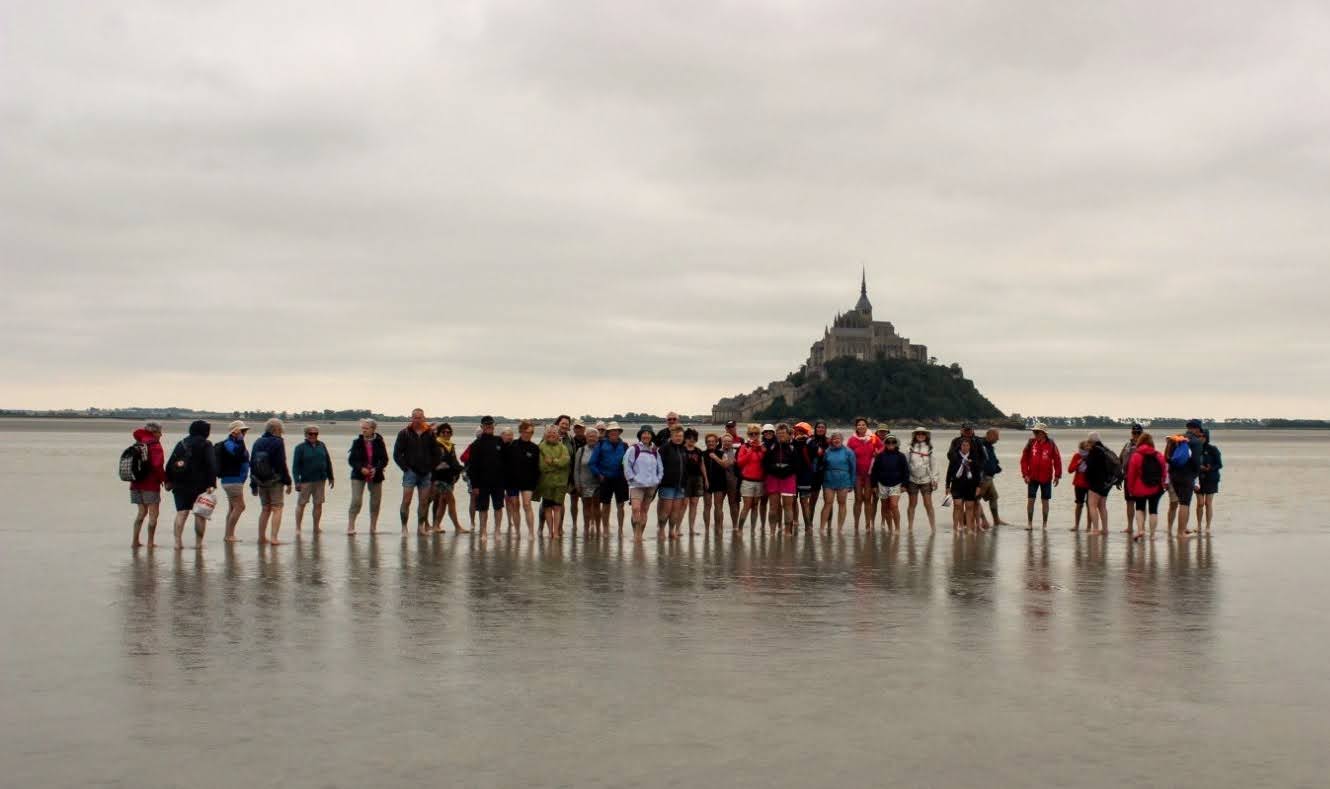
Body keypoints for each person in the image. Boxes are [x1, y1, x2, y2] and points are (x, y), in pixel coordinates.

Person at [164, 419, 218, 551]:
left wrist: (168, 481)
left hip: (180, 483)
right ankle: (198, 544)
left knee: (181, 512)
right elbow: (211, 465)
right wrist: (212, 483)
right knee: (200, 514)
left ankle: (177, 543)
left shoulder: (181, 443)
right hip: (200, 485)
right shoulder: (206, 444)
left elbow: (170, 464)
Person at [394, 408, 440, 535]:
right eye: (415, 417)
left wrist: (432, 467)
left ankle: (421, 527)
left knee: (424, 502)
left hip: (426, 473)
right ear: (411, 418)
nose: (417, 420)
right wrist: (405, 468)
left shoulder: (430, 434)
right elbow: (397, 454)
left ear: (424, 418)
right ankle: (404, 527)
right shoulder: (404, 433)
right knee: (406, 501)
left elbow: (437, 453)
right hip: (410, 472)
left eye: (420, 417)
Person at [250, 418, 293, 545]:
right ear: (277, 429)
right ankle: (274, 538)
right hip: (275, 481)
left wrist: (253, 485)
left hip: (260, 481)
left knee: (265, 509)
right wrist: (288, 481)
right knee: (277, 508)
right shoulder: (278, 442)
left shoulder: (258, 441)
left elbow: (252, 463)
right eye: (281, 430)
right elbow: (281, 463)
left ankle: (261, 537)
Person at [463, 416, 506, 537]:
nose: (489, 427)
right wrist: (475, 485)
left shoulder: (499, 441)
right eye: (486, 425)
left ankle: (497, 530)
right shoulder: (476, 444)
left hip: (498, 482)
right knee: (483, 509)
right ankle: (483, 531)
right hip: (482, 483)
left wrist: (505, 481)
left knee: (498, 507)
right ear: (482, 427)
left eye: (491, 424)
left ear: (494, 426)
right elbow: (472, 467)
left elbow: (506, 461)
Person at [347, 418, 388, 534]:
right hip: (358, 475)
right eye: (362, 428)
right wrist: (361, 468)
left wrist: (377, 468)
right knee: (356, 501)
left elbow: (384, 459)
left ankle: (373, 527)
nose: (363, 430)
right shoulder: (357, 442)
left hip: (376, 475)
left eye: (366, 428)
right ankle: (350, 526)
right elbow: (351, 460)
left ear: (373, 429)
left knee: (375, 502)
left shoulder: (379, 441)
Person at [128, 422, 166, 548]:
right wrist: (165, 480)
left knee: (141, 513)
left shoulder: (138, 443)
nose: (161, 435)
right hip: (150, 484)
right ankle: (150, 542)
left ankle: (135, 541)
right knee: (153, 514)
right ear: (154, 433)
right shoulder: (155, 446)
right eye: (159, 432)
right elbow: (157, 466)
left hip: (135, 483)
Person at [1125, 432, 1168, 542]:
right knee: (1153, 511)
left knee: (1139, 508)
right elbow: (1164, 472)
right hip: (1156, 487)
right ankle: (1152, 535)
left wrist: (1130, 489)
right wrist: (1162, 484)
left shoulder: (1136, 455)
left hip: (1139, 488)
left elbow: (1131, 475)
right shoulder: (1159, 455)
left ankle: (1141, 530)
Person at [292, 425, 335, 535]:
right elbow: (295, 466)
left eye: (315, 434)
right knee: (301, 504)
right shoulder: (300, 448)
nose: (313, 436)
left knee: (318, 504)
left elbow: (328, 461)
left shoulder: (322, 445)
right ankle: (298, 528)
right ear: (306, 435)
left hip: (320, 480)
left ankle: (316, 527)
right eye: (311, 433)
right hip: (305, 480)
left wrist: (331, 477)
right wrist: (296, 481)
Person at [1019, 424, 1062, 531]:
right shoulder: (1031, 443)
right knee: (1031, 500)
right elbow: (1023, 460)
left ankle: (1045, 525)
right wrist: (1025, 474)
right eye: (1034, 432)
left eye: (1037, 432)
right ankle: (1029, 524)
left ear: (1043, 433)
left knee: (1045, 501)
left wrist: (1057, 475)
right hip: (1032, 477)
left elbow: (1057, 460)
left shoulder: (1051, 444)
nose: (1035, 434)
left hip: (1046, 478)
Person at [624, 425, 663, 542]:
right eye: (644, 433)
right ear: (640, 435)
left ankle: (640, 535)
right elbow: (626, 465)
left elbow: (660, 468)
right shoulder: (633, 449)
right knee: (636, 509)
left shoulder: (655, 451)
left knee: (644, 511)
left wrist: (658, 480)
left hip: (651, 485)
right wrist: (631, 479)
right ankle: (636, 534)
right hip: (636, 485)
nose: (646, 435)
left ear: (652, 436)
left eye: (649, 433)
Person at [1169, 419, 1207, 537]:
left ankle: (1180, 530)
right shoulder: (1196, 442)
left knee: (1180, 502)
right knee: (1185, 504)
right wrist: (1195, 475)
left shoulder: (1177, 438)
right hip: (1187, 476)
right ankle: (1181, 533)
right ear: (1196, 429)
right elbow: (1196, 462)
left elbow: (1169, 457)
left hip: (1174, 475)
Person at [589, 421, 629, 534]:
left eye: (616, 431)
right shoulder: (601, 444)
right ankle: (605, 529)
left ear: (619, 432)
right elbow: (592, 463)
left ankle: (620, 530)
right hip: (605, 479)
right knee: (605, 505)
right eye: (611, 431)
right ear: (608, 432)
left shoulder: (624, 445)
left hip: (620, 479)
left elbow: (629, 463)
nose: (614, 433)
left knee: (621, 505)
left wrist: (628, 476)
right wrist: (599, 474)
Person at [215, 420, 250, 543]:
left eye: (245, 431)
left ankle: (229, 534)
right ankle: (229, 535)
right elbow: (237, 455)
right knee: (240, 506)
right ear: (235, 432)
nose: (244, 433)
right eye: (242, 431)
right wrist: (240, 440)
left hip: (236, 480)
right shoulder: (229, 443)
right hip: (232, 479)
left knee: (232, 507)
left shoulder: (237, 443)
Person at [504, 421, 541, 538]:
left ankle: (531, 532)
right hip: (512, 481)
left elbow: (537, 468)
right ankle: (517, 532)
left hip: (528, 482)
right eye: (525, 432)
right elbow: (505, 463)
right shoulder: (512, 445)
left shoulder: (534, 448)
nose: (528, 434)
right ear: (520, 432)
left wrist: (536, 483)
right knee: (515, 505)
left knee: (526, 504)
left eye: (530, 432)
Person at [762, 423, 801, 533]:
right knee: (773, 506)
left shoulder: (793, 447)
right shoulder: (771, 447)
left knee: (788, 507)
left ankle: (788, 532)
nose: (780, 436)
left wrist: (785, 471)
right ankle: (772, 531)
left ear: (789, 435)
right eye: (778, 434)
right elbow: (765, 464)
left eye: (783, 433)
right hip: (773, 478)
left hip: (788, 478)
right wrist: (775, 470)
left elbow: (797, 466)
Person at [430, 422, 466, 533]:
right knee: (451, 501)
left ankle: (436, 525)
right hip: (439, 479)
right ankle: (457, 527)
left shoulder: (450, 445)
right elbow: (439, 462)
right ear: (439, 433)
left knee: (443, 502)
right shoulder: (436, 445)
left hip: (449, 478)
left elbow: (453, 462)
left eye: (448, 432)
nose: (446, 434)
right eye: (443, 432)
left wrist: (461, 470)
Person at [537, 424, 571, 539]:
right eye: (549, 433)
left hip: (560, 483)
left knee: (557, 508)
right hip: (546, 482)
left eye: (554, 433)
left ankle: (556, 531)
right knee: (547, 508)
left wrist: (552, 461)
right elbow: (542, 466)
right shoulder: (541, 447)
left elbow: (565, 461)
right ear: (545, 435)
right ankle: (550, 531)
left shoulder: (563, 447)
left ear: (558, 435)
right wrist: (557, 464)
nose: (552, 435)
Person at [657, 425, 690, 540]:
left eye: (681, 436)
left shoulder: (683, 449)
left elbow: (686, 468)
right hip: (667, 485)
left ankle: (671, 530)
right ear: (671, 436)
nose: (679, 438)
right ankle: (661, 530)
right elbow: (658, 466)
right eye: (676, 436)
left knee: (675, 512)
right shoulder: (664, 448)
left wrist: (685, 485)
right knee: (666, 511)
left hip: (680, 485)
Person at [871, 434, 910, 531]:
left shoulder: (901, 456)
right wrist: (874, 485)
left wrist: (905, 484)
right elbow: (874, 471)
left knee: (893, 505)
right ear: (885, 443)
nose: (890, 444)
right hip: (882, 484)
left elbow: (906, 471)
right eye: (888, 442)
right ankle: (890, 529)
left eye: (893, 442)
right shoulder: (880, 456)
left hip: (896, 484)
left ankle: (897, 528)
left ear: (896, 443)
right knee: (885, 507)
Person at [846, 418, 880, 529]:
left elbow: (883, 448)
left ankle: (868, 525)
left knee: (868, 499)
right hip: (857, 474)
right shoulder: (852, 440)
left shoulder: (873, 438)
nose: (861, 426)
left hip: (869, 474)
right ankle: (856, 525)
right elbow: (847, 456)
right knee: (858, 499)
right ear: (856, 427)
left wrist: (877, 453)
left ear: (867, 426)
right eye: (859, 425)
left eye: (863, 425)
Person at [1082, 432, 1117, 535]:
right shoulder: (1105, 450)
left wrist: (1087, 479)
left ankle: (1095, 529)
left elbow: (1090, 468)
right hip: (1107, 484)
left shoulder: (1094, 452)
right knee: (1102, 506)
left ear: (1091, 441)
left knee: (1092, 505)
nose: (1088, 443)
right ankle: (1105, 529)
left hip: (1096, 483)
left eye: (1089, 441)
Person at [820, 431, 856, 531]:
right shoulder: (827, 451)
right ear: (831, 440)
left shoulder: (848, 452)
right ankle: (822, 528)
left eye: (838, 438)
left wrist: (852, 483)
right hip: (829, 479)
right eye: (834, 438)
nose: (836, 440)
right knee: (828, 503)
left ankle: (840, 528)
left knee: (842, 503)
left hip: (844, 480)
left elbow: (853, 469)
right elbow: (822, 466)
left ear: (842, 440)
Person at [945, 436, 981, 532]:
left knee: (969, 506)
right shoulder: (954, 457)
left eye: (967, 445)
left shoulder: (974, 458)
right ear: (960, 446)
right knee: (957, 505)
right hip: (957, 485)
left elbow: (977, 474)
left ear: (970, 447)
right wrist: (947, 486)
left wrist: (978, 486)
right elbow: (949, 473)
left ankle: (969, 528)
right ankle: (955, 528)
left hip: (970, 486)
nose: (965, 447)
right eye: (963, 445)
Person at [905, 428, 937, 530]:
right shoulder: (909, 448)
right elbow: (906, 465)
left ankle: (933, 527)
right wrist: (904, 482)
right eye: (918, 433)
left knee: (928, 504)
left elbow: (934, 465)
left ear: (926, 435)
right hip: (912, 479)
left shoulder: (930, 448)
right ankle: (910, 527)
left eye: (923, 433)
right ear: (914, 435)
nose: (920, 435)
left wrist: (935, 479)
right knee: (912, 504)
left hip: (926, 480)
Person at [573, 427, 602, 536]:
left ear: (597, 438)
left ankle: (598, 528)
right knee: (586, 506)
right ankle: (586, 527)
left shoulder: (600, 450)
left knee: (596, 507)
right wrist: (577, 484)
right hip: (584, 483)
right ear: (586, 437)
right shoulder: (581, 450)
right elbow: (576, 469)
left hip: (597, 484)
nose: (592, 438)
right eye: (590, 436)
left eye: (594, 436)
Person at [976, 428, 1007, 527]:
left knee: (994, 497)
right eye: (996, 437)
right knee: (975, 499)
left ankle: (996, 520)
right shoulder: (980, 444)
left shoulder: (990, 446)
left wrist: (996, 467)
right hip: (982, 478)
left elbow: (992, 459)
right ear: (990, 435)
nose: (998, 439)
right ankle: (983, 521)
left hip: (989, 478)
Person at [702, 433, 731, 530]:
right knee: (707, 505)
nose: (711, 443)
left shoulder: (722, 454)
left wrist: (715, 458)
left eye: (713, 441)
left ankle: (719, 527)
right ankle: (706, 528)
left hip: (719, 481)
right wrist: (705, 480)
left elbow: (726, 465)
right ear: (706, 443)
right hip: (707, 482)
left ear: (716, 442)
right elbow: (701, 469)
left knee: (718, 506)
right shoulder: (702, 454)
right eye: (708, 442)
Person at [681, 428, 707, 535]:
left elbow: (702, 465)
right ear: (685, 439)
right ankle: (677, 528)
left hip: (697, 479)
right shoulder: (681, 450)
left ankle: (691, 529)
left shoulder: (698, 451)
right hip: (685, 479)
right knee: (684, 504)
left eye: (693, 438)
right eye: (689, 438)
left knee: (694, 504)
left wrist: (706, 479)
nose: (691, 440)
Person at [1197, 429, 1222, 533]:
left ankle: (1208, 526)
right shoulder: (1195, 449)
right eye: (1199, 436)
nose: (1201, 438)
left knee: (1208, 503)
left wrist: (1209, 468)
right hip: (1198, 478)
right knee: (1200, 503)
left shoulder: (1213, 449)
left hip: (1211, 478)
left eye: (1203, 436)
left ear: (1207, 437)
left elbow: (1219, 464)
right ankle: (1199, 526)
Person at [1119, 424, 1143, 530]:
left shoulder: (1145, 445)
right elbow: (1120, 459)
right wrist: (1118, 477)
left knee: (1141, 503)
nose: (1136, 435)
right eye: (1134, 432)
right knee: (1129, 502)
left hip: (1141, 479)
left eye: (1138, 433)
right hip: (1128, 478)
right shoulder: (1127, 445)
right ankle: (1130, 527)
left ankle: (1141, 528)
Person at [1068, 439, 1092, 531]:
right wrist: (1078, 463)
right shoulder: (1077, 456)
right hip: (1079, 484)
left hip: (1090, 483)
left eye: (1089, 445)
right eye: (1086, 446)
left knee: (1090, 505)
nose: (1088, 447)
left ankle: (1089, 526)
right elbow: (1070, 470)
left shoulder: (1092, 456)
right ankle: (1076, 525)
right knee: (1079, 504)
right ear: (1082, 448)